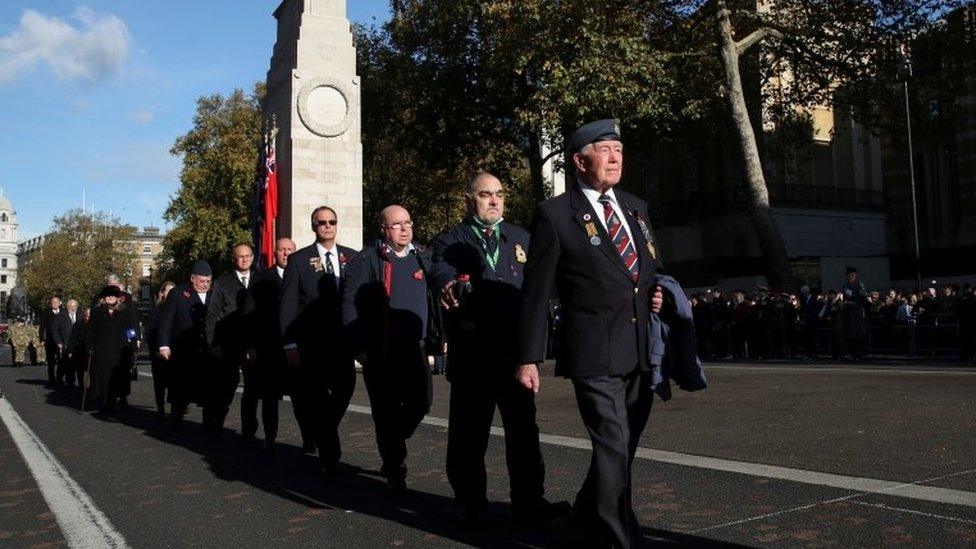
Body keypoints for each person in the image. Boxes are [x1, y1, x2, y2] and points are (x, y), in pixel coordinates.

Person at [517, 120, 670, 548]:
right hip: (593, 353)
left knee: (622, 449)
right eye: (605, 149)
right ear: (580, 160)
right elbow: (536, 290)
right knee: (613, 446)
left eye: (619, 149)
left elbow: (650, 269)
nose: (616, 157)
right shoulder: (555, 214)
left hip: (639, 351)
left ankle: (584, 517)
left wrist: (660, 295)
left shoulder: (636, 207)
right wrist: (528, 356)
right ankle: (619, 538)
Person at [431, 173, 568, 523]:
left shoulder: (522, 238)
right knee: (468, 433)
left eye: (499, 195)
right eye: (484, 195)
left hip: (514, 354)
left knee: (524, 431)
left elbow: (540, 290)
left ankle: (529, 501)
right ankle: (471, 502)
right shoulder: (451, 240)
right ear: (469, 199)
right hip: (473, 353)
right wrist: (448, 284)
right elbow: (441, 271)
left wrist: (534, 352)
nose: (493, 201)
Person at [343, 205, 440, 493]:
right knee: (384, 409)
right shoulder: (366, 260)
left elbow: (437, 296)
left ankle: (392, 438)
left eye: (409, 222)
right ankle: (395, 465)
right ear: (384, 229)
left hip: (417, 347)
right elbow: (350, 304)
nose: (405, 228)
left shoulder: (422, 256)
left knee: (422, 402)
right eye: (397, 224)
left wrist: (440, 335)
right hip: (381, 349)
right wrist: (356, 345)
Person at [280, 207, 358, 470]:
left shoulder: (353, 258)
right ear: (314, 226)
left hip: (343, 341)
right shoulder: (299, 260)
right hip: (311, 342)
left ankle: (322, 431)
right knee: (318, 397)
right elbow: (289, 304)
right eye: (322, 222)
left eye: (332, 221)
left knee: (345, 388)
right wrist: (289, 342)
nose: (328, 226)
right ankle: (329, 451)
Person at [243, 237, 296, 451]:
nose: (286, 254)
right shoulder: (261, 278)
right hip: (269, 346)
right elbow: (249, 313)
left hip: (296, 344)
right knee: (269, 396)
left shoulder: (302, 273)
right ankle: (270, 436)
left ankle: (311, 438)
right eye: (281, 250)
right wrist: (250, 344)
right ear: (274, 253)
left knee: (303, 396)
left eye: (290, 250)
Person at [205, 244, 255, 438]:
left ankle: (249, 429)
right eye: (240, 257)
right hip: (228, 344)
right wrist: (213, 344)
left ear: (252, 257)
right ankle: (217, 419)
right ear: (233, 259)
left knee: (251, 388)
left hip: (252, 344)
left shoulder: (260, 279)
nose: (244, 260)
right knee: (228, 385)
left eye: (247, 256)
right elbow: (212, 315)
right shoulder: (223, 282)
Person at [157, 261, 213, 427]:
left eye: (208, 281)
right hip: (183, 349)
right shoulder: (179, 293)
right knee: (180, 389)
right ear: (192, 279)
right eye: (202, 281)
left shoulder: (214, 293)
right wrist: (163, 344)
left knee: (207, 391)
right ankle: (176, 418)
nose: (205, 284)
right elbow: (167, 319)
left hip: (206, 350)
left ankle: (209, 424)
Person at [86, 286, 139, 411]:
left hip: (120, 349)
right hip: (102, 350)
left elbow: (130, 329)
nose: (110, 297)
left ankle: (118, 397)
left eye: (112, 295)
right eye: (107, 296)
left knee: (119, 375)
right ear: (104, 298)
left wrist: (133, 343)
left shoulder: (125, 311)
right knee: (103, 375)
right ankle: (105, 399)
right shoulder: (98, 312)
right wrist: (90, 346)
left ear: (118, 298)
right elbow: (91, 331)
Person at [147, 282, 177, 418]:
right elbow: (151, 332)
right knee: (159, 382)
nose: (170, 294)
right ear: (162, 293)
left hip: (175, 353)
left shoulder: (178, 308)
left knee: (174, 381)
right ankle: (161, 407)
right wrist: (156, 350)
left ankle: (177, 406)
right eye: (168, 291)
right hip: (159, 353)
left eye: (173, 291)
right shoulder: (157, 311)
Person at [39, 294, 69, 386]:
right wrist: (42, 339)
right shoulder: (46, 313)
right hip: (50, 340)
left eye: (56, 302)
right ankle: (52, 380)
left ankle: (60, 378)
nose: (54, 304)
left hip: (62, 340)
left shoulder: (64, 312)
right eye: (52, 302)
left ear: (60, 303)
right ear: (50, 304)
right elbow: (42, 327)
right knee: (51, 361)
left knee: (62, 360)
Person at [61, 300, 85, 388]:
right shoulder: (62, 316)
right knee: (69, 366)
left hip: (80, 347)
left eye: (74, 306)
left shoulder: (81, 317)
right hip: (67, 344)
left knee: (80, 368)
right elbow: (56, 330)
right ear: (67, 307)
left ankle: (81, 384)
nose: (73, 308)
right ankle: (70, 383)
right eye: (71, 306)